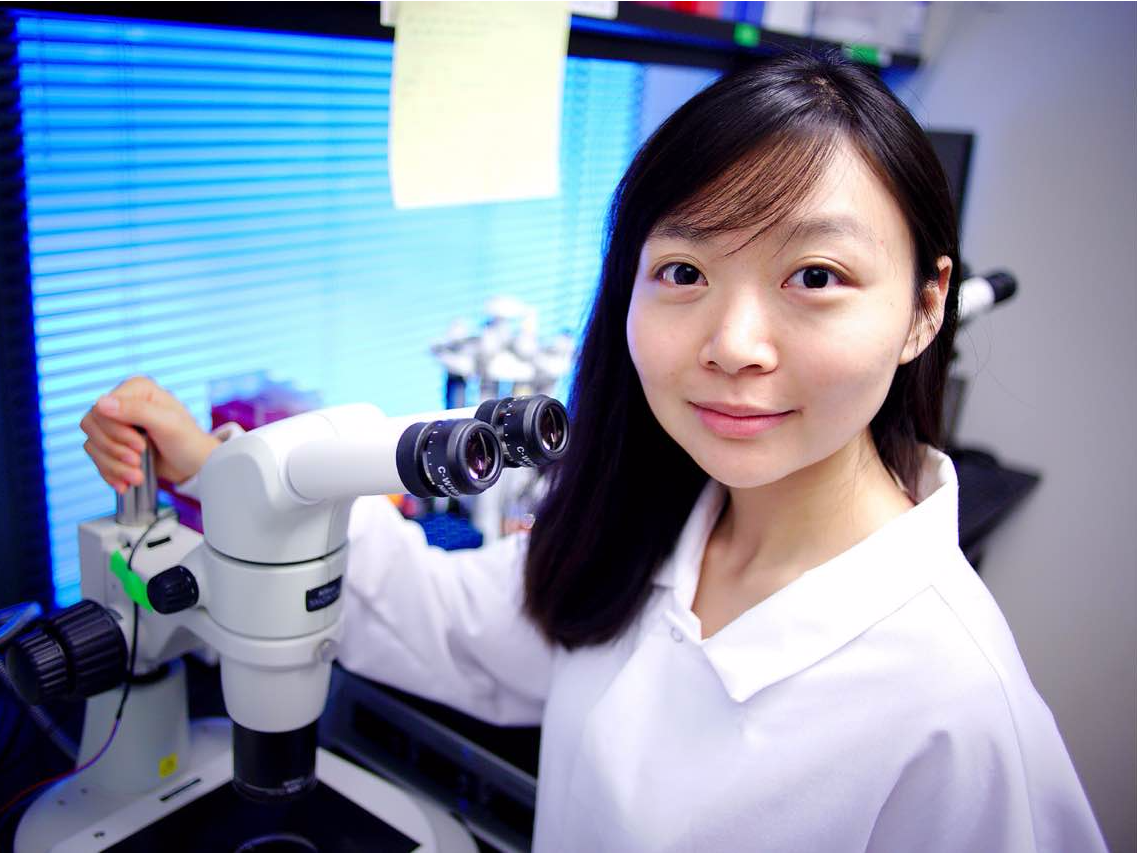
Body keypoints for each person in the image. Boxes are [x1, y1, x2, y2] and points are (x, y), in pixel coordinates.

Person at [79, 53, 1105, 852]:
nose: (733, 345)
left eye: (816, 276)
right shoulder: (654, 524)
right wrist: (225, 473)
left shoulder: (961, 715)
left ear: (926, 307)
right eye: (685, 270)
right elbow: (454, 625)